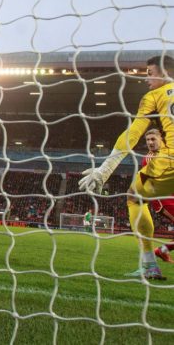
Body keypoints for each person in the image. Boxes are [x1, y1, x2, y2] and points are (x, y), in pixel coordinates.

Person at [79, 55, 174, 280]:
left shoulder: (153, 96)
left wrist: (105, 170)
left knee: (134, 197)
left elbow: (133, 134)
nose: (146, 79)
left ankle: (149, 265)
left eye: (150, 74)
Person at [141, 128, 174, 263]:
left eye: (153, 139)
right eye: (148, 140)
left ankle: (162, 250)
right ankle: (161, 251)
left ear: (161, 139)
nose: (150, 142)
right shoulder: (149, 159)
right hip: (163, 200)